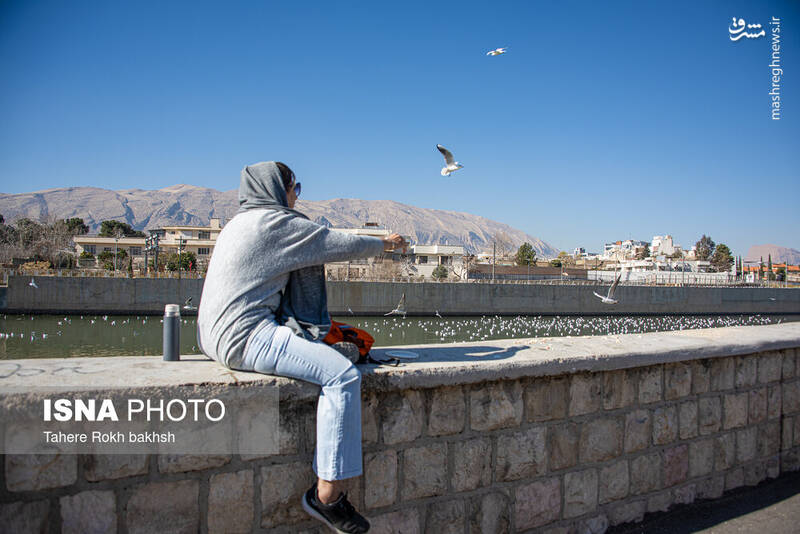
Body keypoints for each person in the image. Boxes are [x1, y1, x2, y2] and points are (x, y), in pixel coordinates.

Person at [198, 161, 405, 533]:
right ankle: (326, 496)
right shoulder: (275, 224)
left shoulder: (240, 222)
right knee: (341, 376)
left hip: (213, 337)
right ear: (278, 189)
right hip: (245, 337)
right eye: (295, 187)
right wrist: (385, 244)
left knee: (337, 355)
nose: (297, 195)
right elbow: (332, 243)